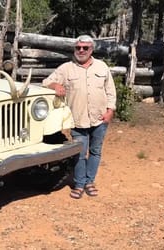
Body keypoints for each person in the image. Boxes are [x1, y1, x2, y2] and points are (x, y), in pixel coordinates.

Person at [41, 35, 116, 199]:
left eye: (85, 48)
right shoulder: (66, 68)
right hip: (77, 120)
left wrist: (110, 111)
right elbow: (46, 82)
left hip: (100, 118)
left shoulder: (102, 67)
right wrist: (56, 85)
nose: (81, 50)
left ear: (92, 49)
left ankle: (90, 181)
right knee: (79, 153)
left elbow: (110, 91)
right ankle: (79, 184)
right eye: (78, 47)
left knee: (95, 152)